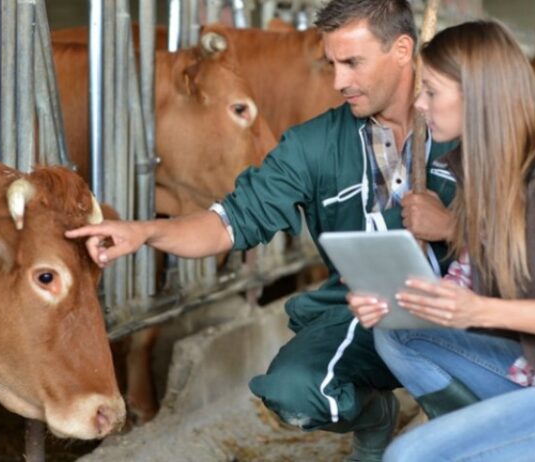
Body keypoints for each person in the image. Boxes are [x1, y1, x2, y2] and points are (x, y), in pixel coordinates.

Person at [67, 1, 461, 459]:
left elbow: (529, 239)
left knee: (483, 408)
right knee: (291, 392)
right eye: (332, 64)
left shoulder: (464, 125)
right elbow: (226, 224)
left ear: (402, 50)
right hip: (363, 314)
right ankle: (375, 416)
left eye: (353, 63)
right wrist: (145, 232)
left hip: (466, 309)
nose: (339, 82)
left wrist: (451, 226)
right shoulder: (314, 144)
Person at [349, 20, 535, 461]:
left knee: (407, 457)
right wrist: (397, 300)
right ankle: (494, 442)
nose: (419, 103)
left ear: (477, 95)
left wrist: (481, 310)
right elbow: (464, 282)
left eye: (431, 90)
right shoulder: (489, 178)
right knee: (399, 337)